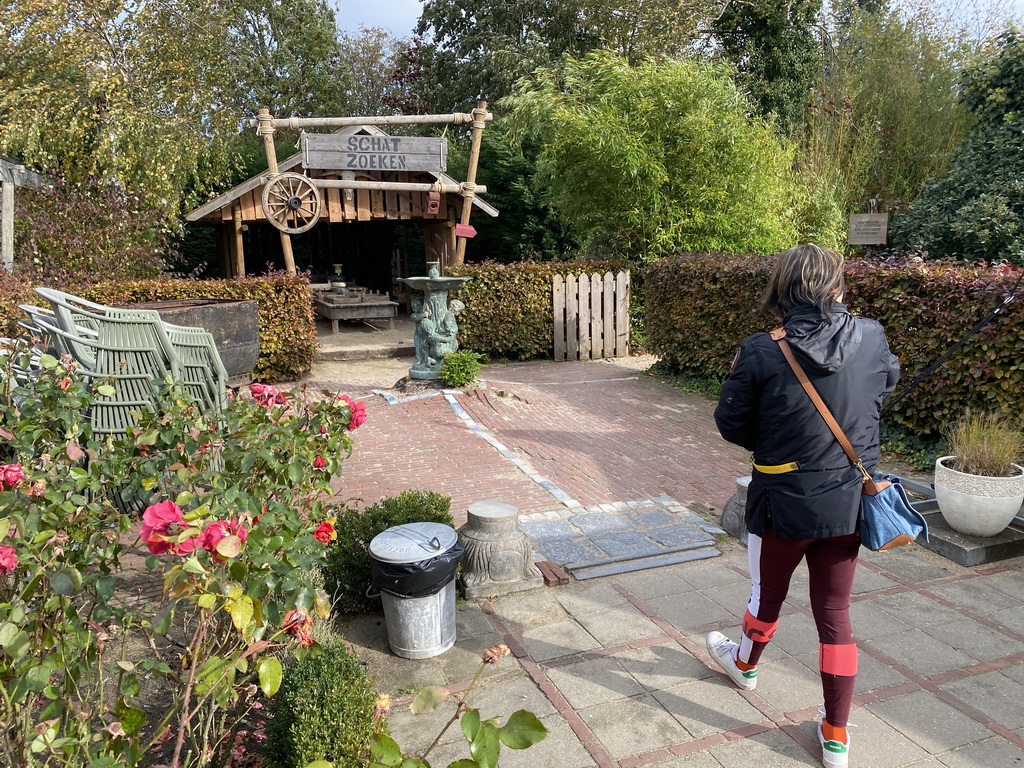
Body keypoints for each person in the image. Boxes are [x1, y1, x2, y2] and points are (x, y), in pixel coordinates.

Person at [708, 244, 899, 768]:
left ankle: (745, 665)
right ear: (836, 285)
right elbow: (884, 388)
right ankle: (836, 735)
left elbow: (731, 424)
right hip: (846, 503)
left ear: (784, 287)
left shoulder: (762, 349)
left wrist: (777, 436)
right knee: (835, 615)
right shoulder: (873, 336)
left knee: (766, 595)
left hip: (782, 503)